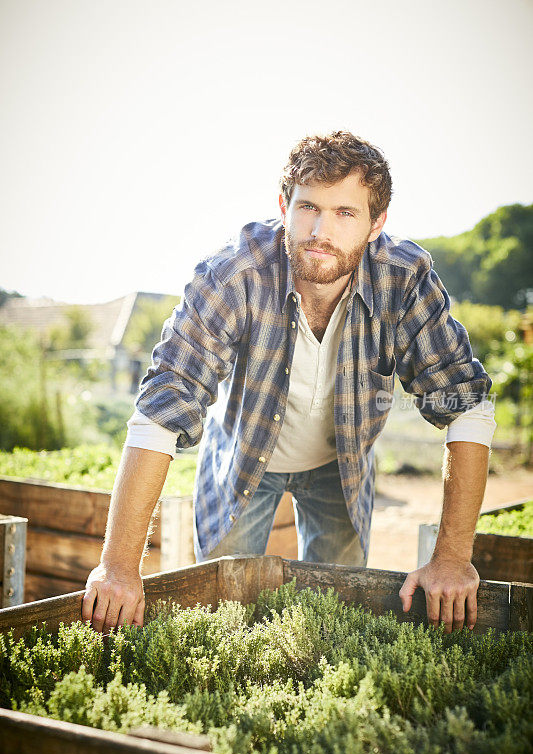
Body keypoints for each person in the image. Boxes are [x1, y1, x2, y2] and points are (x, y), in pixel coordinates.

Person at [83, 131, 496, 637]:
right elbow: (164, 403)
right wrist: (120, 566)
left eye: (345, 212)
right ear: (284, 206)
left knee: (340, 611)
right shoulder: (235, 273)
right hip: (242, 458)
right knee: (221, 611)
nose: (320, 230)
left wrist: (453, 558)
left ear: (376, 223)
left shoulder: (403, 280)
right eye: (308, 208)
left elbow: (467, 404)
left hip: (340, 462)